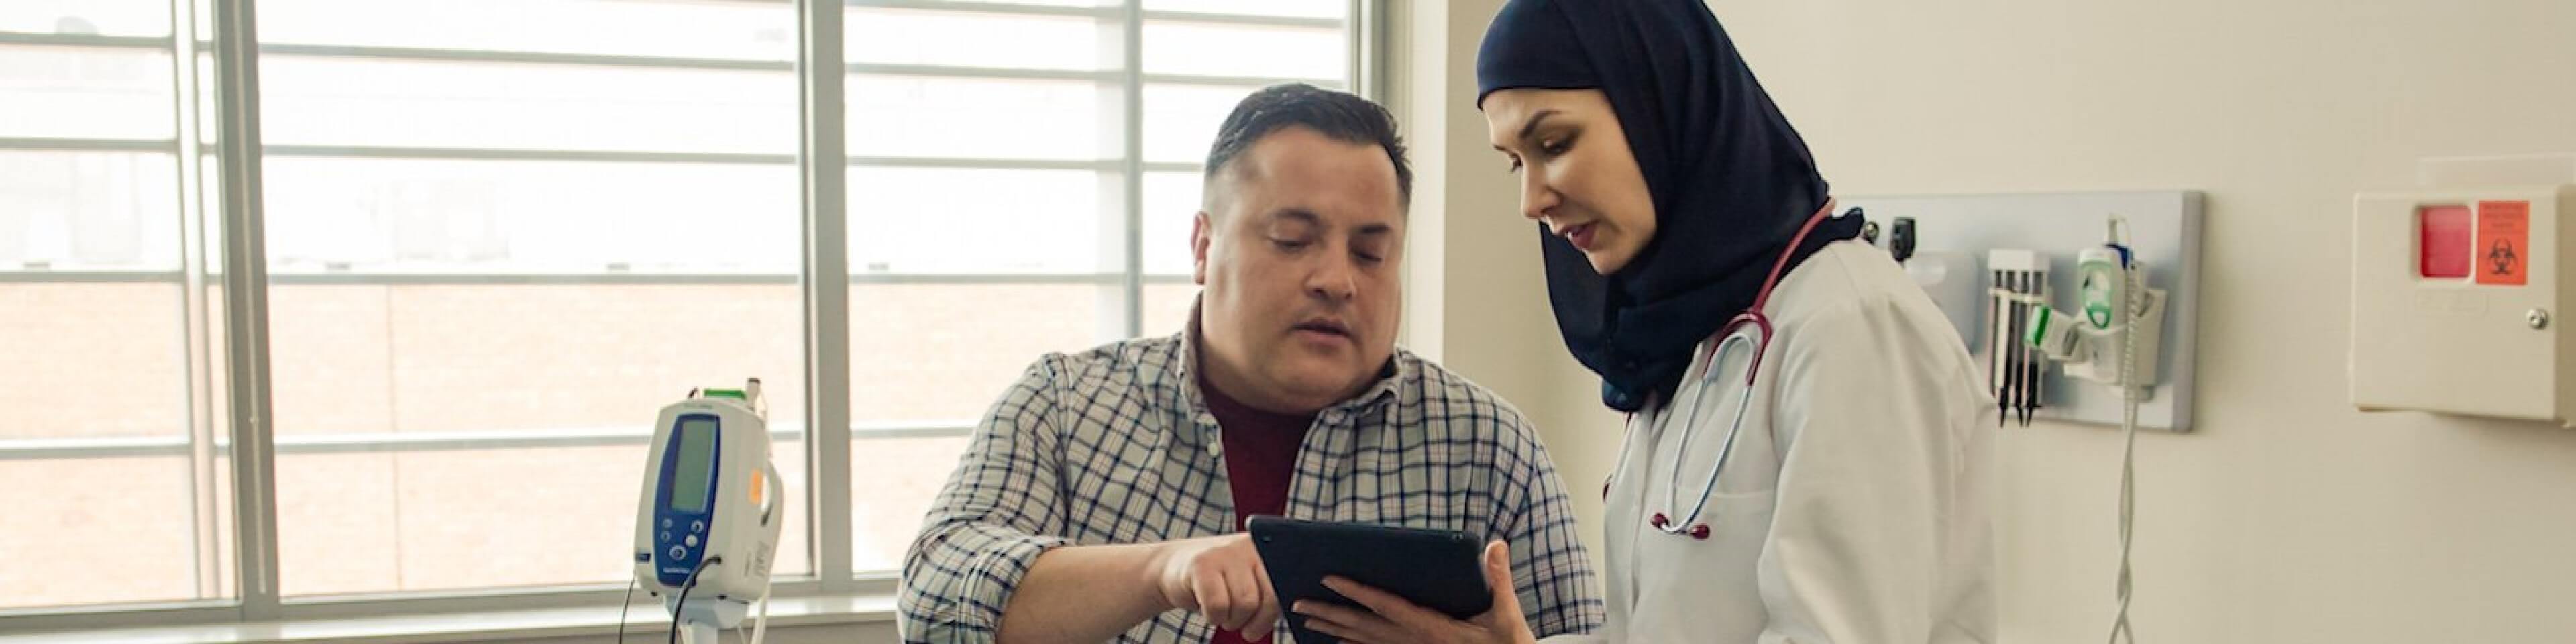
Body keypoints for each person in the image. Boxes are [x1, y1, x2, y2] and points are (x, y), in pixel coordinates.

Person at [1288, 2, 1996, 643]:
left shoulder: (1850, 325)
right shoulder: (1690, 348)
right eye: (1515, 164)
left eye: (1555, 143)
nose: (1533, 200)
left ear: (1660, 103)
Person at [898, 83, 1604, 644]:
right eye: (1294, 240)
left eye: (1370, 253)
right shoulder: (1065, 406)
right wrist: (1162, 570)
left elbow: (1591, 636)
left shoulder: (1487, 447)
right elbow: (933, 602)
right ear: (1204, 247)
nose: (1336, 279)